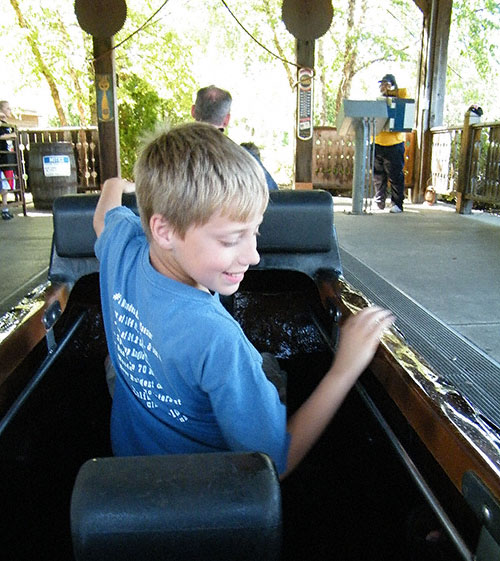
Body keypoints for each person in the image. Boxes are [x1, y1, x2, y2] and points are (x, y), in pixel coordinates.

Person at [94, 122, 394, 479]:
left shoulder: (120, 248)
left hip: (131, 471)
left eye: (255, 231)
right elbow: (273, 464)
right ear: (164, 230)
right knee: (270, 372)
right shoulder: (217, 338)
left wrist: (114, 185)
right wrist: (344, 368)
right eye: (231, 239)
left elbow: (104, 218)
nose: (253, 255)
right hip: (213, 497)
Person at [192, 85, 279, 190]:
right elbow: (275, 199)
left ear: (193, 111)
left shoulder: (170, 155)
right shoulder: (248, 160)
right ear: (226, 120)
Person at [373, 74, 410, 213]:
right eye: (381, 84)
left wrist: (392, 91)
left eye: (387, 84)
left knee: (395, 175)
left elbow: (405, 95)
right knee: (378, 176)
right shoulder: (378, 102)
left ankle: (397, 203)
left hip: (394, 143)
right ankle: (379, 201)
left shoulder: (400, 99)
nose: (384, 87)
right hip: (377, 142)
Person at [0, 101, 17, 220]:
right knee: (3, 185)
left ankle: (5, 209)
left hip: (6, 159)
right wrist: (12, 135)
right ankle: (4, 209)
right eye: (7, 108)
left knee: (5, 185)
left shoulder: (6, 125)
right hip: (1, 160)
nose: (9, 111)